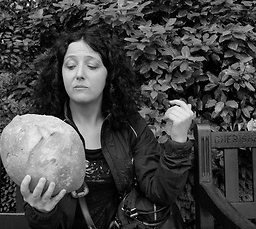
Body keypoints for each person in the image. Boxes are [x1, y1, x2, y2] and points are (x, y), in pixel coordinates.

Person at [20, 26, 195, 229]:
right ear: (60, 73)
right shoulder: (43, 132)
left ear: (109, 75)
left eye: (92, 66)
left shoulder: (131, 126)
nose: (79, 74)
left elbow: (161, 192)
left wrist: (178, 141)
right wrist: (42, 212)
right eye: (70, 66)